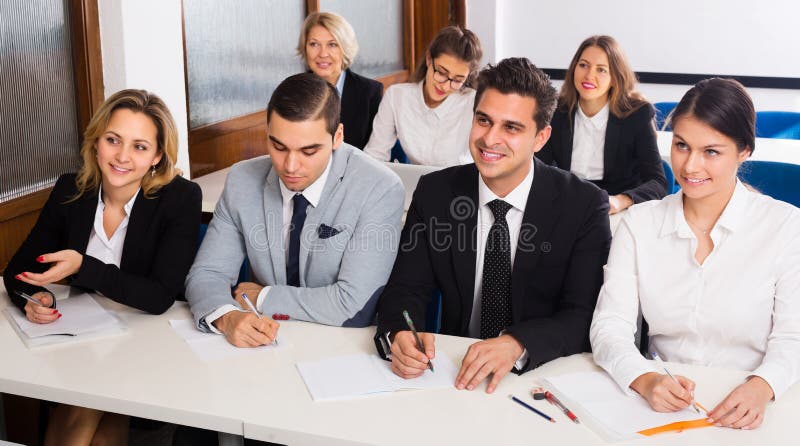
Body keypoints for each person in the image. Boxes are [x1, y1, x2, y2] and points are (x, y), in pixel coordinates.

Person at [374, 58, 612, 394]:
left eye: (511, 128)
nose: (490, 139)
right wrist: (399, 333)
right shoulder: (436, 193)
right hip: (454, 374)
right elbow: (406, 289)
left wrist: (517, 343)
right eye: (483, 121)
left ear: (541, 137)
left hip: (540, 378)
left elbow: (583, 314)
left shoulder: (584, 205)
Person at [590, 78, 800, 430]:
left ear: (744, 151)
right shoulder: (640, 224)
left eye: (711, 152)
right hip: (664, 405)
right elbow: (610, 326)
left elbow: (793, 337)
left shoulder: (784, 225)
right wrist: (644, 378)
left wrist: (764, 386)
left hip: (754, 405)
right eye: (682, 145)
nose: (689, 166)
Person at [3, 89, 201, 445]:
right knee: (97, 399)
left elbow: (159, 295)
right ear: (96, 143)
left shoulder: (180, 199)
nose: (122, 156)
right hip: (83, 342)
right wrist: (34, 298)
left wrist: (83, 267)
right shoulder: (72, 190)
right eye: (113, 140)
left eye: (140, 146)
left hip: (150, 341)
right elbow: (18, 269)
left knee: (90, 397)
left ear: (157, 155)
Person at [185, 73, 404, 347]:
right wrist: (227, 317)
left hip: (343, 349)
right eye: (278, 146)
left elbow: (354, 306)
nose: (290, 166)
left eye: (308, 151)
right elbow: (207, 274)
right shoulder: (242, 180)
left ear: (337, 137)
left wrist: (264, 296)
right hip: (263, 348)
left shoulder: (379, 187)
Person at [537, 35, 667, 214]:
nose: (589, 75)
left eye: (601, 70)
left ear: (615, 77)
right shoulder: (556, 111)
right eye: (583, 65)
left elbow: (658, 182)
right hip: (569, 205)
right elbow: (538, 168)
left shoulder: (636, 115)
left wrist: (620, 201)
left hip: (617, 209)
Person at [364, 26, 482, 166]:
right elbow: (374, 156)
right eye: (442, 73)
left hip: (460, 185)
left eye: (457, 80)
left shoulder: (474, 103)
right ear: (428, 59)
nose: (445, 86)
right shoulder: (396, 97)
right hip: (415, 184)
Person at [297, 11, 382, 150]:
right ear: (305, 48)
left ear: (345, 48)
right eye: (314, 44)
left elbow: (374, 155)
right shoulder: (294, 91)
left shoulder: (370, 92)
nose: (323, 54)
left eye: (332, 45)